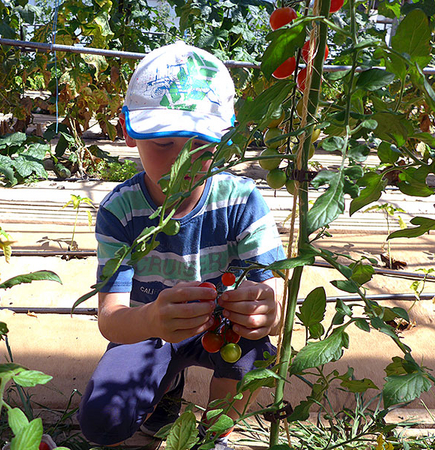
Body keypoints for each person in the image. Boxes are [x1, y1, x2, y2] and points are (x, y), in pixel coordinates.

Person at [77, 41, 286, 449]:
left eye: (202, 147)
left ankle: (215, 430)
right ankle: (166, 391)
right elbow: (111, 317)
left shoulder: (242, 202)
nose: (183, 162)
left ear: (228, 140)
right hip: (149, 330)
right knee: (103, 422)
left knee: (257, 353)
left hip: (226, 331)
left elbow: (274, 292)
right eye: (163, 144)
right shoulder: (121, 212)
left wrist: (267, 308)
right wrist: (153, 320)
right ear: (127, 132)